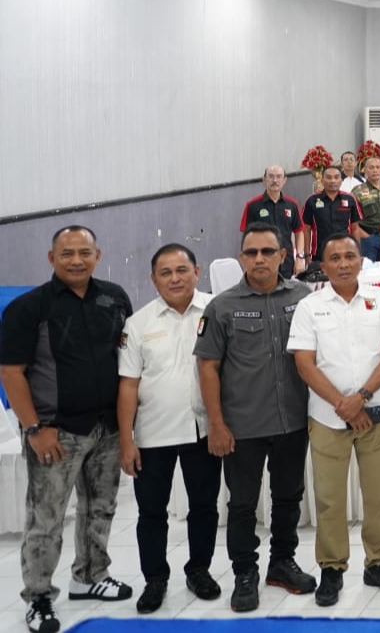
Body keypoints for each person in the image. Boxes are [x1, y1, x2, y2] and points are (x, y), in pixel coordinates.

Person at [1, 227, 135, 633]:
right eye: (67, 253)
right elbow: (11, 372)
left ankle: (90, 576)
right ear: (51, 258)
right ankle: (39, 596)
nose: (76, 260)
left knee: (101, 507)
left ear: (98, 255)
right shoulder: (28, 308)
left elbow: (128, 359)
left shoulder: (115, 297)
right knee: (47, 518)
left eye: (84, 252)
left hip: (107, 428)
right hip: (56, 433)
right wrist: (34, 428)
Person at [196, 224, 318, 612]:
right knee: (243, 505)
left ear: (284, 255)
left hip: (292, 420)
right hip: (242, 425)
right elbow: (208, 368)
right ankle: (245, 573)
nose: (259, 259)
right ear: (241, 258)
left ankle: (281, 563)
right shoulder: (222, 307)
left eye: (268, 251)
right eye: (251, 253)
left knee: (288, 497)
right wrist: (216, 424)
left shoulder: (303, 298)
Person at [287, 234, 380, 605]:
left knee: (379, 495)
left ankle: (379, 563)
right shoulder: (310, 307)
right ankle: (332, 568)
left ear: (361, 261)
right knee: (329, 498)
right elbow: (304, 362)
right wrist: (343, 404)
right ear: (323, 266)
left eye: (350, 256)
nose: (343, 264)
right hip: (328, 417)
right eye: (335, 258)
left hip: (376, 414)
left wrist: (362, 397)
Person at [117, 244, 220, 614]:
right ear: (153, 279)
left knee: (204, 506)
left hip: (203, 430)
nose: (175, 278)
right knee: (151, 512)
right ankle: (155, 579)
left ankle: (199, 570)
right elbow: (128, 385)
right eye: (166, 272)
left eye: (182, 270)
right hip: (152, 433)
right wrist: (126, 440)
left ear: (197, 271)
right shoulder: (138, 324)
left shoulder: (216, 310)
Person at [241, 165, 307, 279]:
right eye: (271, 176)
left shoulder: (292, 205)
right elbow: (246, 236)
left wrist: (300, 258)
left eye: (278, 177)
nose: (275, 180)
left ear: (284, 180)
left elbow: (299, 232)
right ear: (264, 180)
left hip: (287, 262)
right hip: (263, 262)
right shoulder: (252, 205)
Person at [303, 166, 366, 264]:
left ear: (341, 180)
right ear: (322, 180)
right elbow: (306, 230)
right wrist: (307, 255)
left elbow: (355, 229)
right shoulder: (312, 200)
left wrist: (357, 252)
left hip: (345, 252)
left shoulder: (350, 199)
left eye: (336, 177)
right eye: (329, 177)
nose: (333, 181)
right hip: (320, 253)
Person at [352, 157, 380, 263]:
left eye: (378, 167)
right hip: (367, 238)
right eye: (371, 167)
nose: (375, 170)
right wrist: (367, 237)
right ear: (365, 170)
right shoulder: (357, 192)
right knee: (368, 269)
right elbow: (352, 220)